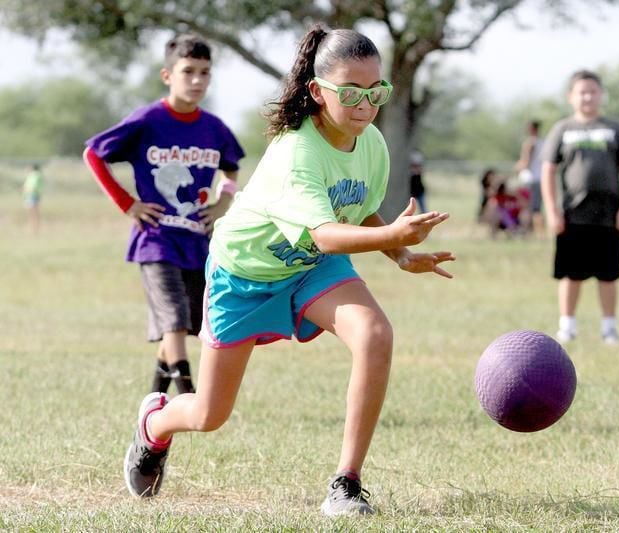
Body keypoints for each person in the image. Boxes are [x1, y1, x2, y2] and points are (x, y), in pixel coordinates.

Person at [121, 25, 455, 517]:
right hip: (246, 275)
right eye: (351, 92)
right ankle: (154, 426)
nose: (365, 104)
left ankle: (347, 482)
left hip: (310, 268)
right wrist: (393, 239)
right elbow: (326, 232)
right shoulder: (296, 153)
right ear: (318, 92)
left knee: (375, 335)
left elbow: (356, 209)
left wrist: (399, 255)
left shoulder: (371, 143)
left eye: (376, 91)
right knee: (210, 414)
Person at [83, 34, 245, 395]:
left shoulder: (214, 128)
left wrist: (223, 203)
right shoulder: (148, 120)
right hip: (155, 239)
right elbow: (94, 154)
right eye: (188, 71)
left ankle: (156, 395)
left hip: (195, 241)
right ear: (167, 75)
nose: (197, 80)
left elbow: (231, 167)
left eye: (205, 72)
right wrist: (127, 203)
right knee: (172, 315)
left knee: (185, 321)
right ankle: (188, 393)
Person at [540, 69, 619, 344]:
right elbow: (548, 170)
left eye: (593, 91)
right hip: (572, 213)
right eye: (582, 92)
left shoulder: (615, 129)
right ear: (571, 97)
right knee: (571, 273)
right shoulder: (563, 129)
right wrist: (551, 210)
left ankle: (609, 327)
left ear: (601, 95)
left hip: (608, 214)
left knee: (608, 274)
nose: (588, 97)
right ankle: (567, 326)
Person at [514, 120, 544, 236]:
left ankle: (528, 231)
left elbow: (526, 163)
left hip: (529, 179)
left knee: (527, 207)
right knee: (537, 207)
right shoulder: (543, 142)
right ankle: (539, 232)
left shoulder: (530, 143)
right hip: (540, 178)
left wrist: (517, 167)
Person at [22, 163, 44, 233]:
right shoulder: (37, 175)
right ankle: (34, 228)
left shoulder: (34, 175)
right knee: (33, 213)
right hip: (32, 195)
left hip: (32, 195)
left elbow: (32, 186)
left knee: (33, 213)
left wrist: (25, 189)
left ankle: (34, 229)